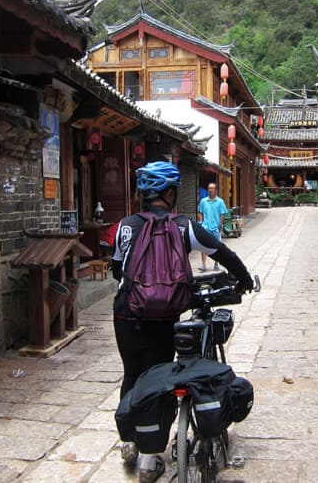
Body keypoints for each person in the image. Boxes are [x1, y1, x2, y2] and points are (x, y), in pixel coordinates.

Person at [111, 161, 254, 483]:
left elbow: (117, 270)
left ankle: (129, 441)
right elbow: (224, 254)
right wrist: (243, 281)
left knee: (133, 374)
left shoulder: (126, 226)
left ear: (144, 194)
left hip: (127, 315)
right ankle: (150, 462)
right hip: (165, 316)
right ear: (171, 193)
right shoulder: (184, 227)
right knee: (158, 377)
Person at [197, 182, 228, 271]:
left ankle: (216, 264)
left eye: (212, 188)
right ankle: (203, 265)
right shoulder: (203, 201)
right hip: (206, 227)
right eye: (209, 188)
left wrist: (220, 225)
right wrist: (201, 222)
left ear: (216, 190)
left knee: (217, 247)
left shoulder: (220, 202)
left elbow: (222, 214)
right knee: (203, 246)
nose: (210, 190)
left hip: (216, 228)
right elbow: (200, 212)